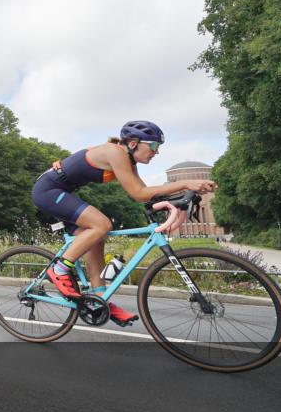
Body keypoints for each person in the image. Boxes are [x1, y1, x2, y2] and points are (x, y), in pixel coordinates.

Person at [32, 121, 217, 326]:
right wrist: (185, 182)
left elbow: (146, 193)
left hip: (62, 192)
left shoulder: (127, 158)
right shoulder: (116, 153)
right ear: (133, 143)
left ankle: (99, 300)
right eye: (154, 146)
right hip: (48, 192)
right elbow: (138, 194)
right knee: (102, 224)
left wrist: (185, 195)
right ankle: (58, 270)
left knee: (96, 238)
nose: (156, 152)